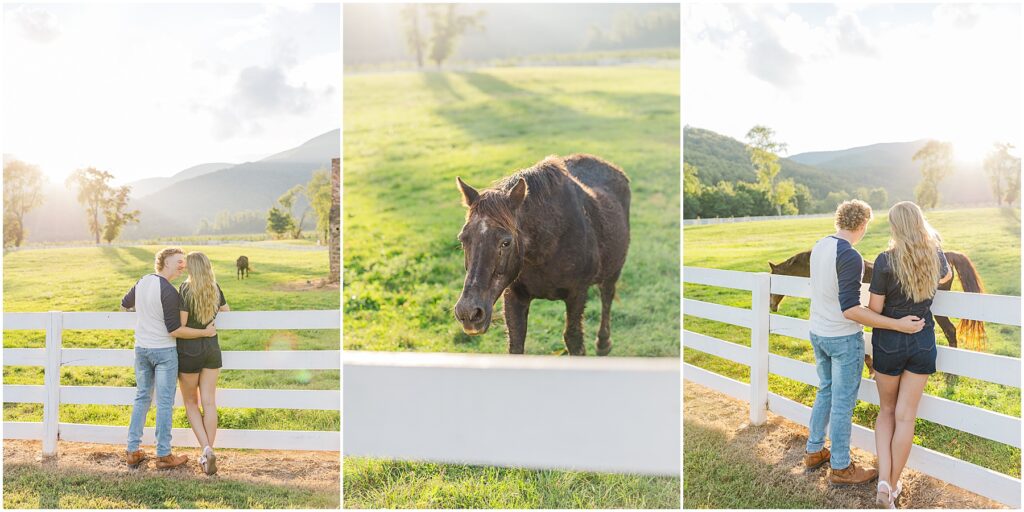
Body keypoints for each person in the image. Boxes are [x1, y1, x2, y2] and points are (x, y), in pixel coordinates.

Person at [804, 199, 925, 486]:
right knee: (843, 403)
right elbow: (850, 309)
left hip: (818, 332)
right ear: (862, 224)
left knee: (826, 391)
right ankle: (842, 467)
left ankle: (814, 450)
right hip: (842, 337)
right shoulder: (850, 255)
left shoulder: (820, 245)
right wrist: (896, 324)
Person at [868, 202, 951, 508]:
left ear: (895, 227)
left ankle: (883, 483)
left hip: (889, 342)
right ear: (920, 222)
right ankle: (892, 487)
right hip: (923, 341)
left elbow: (875, 309)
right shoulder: (935, 255)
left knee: (887, 411)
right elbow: (944, 277)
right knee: (906, 417)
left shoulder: (885, 261)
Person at [122, 247, 215, 469]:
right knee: (164, 402)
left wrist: (145, 313)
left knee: (142, 398)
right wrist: (204, 332)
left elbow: (125, 304)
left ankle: (132, 451)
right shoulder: (170, 291)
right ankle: (163, 454)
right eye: (178, 261)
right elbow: (174, 329)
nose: (183, 265)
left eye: (184, 261)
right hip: (164, 351)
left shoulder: (143, 281)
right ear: (165, 263)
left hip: (142, 349)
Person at [177, 251, 229, 475]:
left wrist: (200, 331)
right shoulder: (215, 288)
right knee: (209, 403)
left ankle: (205, 449)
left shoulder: (186, 289)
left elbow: (182, 325)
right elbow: (226, 312)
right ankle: (210, 451)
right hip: (211, 351)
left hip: (189, 352)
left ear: (192, 268)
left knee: (190, 402)